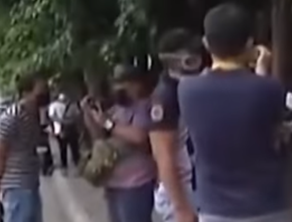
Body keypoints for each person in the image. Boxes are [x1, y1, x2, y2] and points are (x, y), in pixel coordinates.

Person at [178, 3, 289, 222]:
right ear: (249, 43)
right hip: (267, 206)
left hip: (215, 209)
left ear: (206, 43)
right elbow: (274, 129)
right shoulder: (269, 88)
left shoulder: (187, 89)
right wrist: (262, 70)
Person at [82, 64, 156, 222]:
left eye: (122, 83)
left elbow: (140, 137)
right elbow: (99, 139)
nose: (117, 88)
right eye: (116, 83)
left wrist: (108, 124)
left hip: (136, 182)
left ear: (136, 84)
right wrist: (90, 116)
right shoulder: (117, 109)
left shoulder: (145, 106)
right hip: (114, 181)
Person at [149, 28, 204, 222]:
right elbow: (163, 155)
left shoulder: (190, 87)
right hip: (181, 193)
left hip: (197, 189)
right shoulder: (166, 95)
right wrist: (181, 208)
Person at [0, 73, 50, 222]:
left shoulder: (33, 115)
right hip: (17, 190)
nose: (45, 94)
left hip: (32, 186)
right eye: (40, 90)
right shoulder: (11, 117)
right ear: (26, 92)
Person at [48, 94, 81, 171]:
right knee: (74, 147)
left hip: (61, 128)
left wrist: (58, 121)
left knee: (63, 147)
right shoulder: (69, 106)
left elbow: (51, 116)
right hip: (69, 129)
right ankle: (76, 162)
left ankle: (64, 163)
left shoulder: (53, 105)